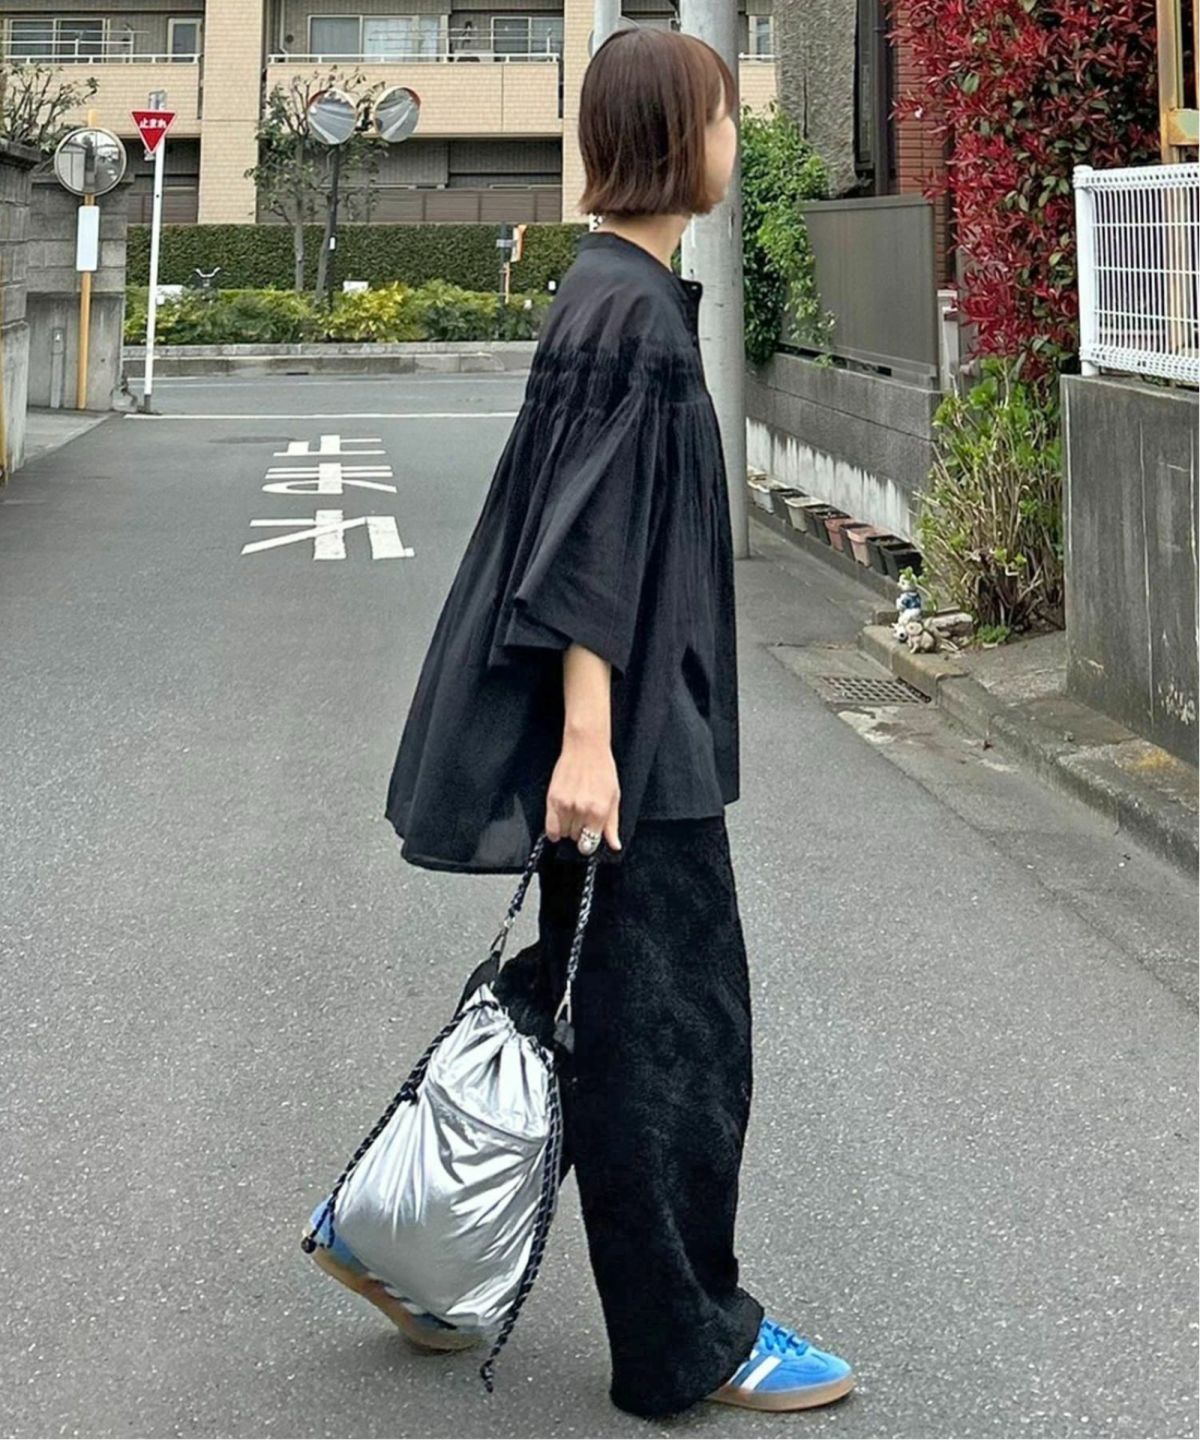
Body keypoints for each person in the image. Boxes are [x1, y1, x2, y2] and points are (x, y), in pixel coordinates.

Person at [307, 26, 856, 1421]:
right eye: (721, 118)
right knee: (678, 1038)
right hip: (636, 752)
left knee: (591, 997)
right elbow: (590, 552)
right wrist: (594, 744)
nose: (732, 141)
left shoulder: (609, 292)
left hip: (630, 737)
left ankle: (403, 1224)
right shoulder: (634, 318)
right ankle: (689, 1341)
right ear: (679, 138)